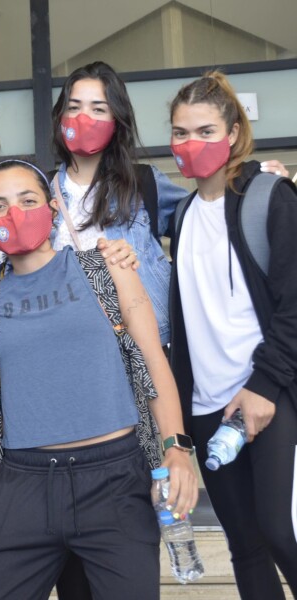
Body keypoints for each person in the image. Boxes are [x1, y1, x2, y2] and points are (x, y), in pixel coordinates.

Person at [0, 159, 199, 600]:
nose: (15, 213)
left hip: (114, 480)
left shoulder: (107, 268)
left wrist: (177, 449)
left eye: (27, 200)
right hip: (23, 484)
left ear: (53, 207)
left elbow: (153, 362)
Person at [50, 61, 288, 347]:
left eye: (98, 109)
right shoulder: (38, 192)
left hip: (147, 348)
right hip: (69, 345)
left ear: (116, 119)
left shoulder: (144, 183)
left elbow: (211, 215)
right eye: (74, 107)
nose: (83, 118)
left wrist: (255, 182)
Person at [168, 72, 297, 600]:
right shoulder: (181, 215)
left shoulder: (270, 196)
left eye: (205, 131)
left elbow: (293, 302)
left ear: (234, 133)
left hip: (266, 394)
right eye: (180, 133)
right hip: (208, 407)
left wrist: (264, 387)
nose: (191, 144)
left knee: (281, 531)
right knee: (244, 545)